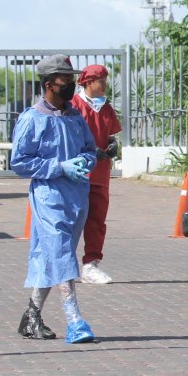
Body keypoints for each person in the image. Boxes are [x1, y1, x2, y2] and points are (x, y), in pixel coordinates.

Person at [11, 54, 98, 344]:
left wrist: (85, 161)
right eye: (65, 80)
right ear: (49, 84)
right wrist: (57, 167)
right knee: (61, 254)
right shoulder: (32, 119)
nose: (71, 85)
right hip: (49, 196)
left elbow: (89, 148)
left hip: (76, 196)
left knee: (53, 256)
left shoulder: (75, 116)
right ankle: (74, 319)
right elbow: (20, 161)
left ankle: (32, 314)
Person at [70, 64, 122, 284]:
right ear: (89, 82)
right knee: (72, 220)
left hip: (101, 175)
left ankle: (91, 265)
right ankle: (65, 264)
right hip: (79, 174)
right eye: (101, 81)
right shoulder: (73, 106)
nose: (105, 85)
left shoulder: (106, 108)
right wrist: (90, 150)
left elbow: (110, 132)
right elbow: (69, 137)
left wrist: (112, 143)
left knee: (97, 221)